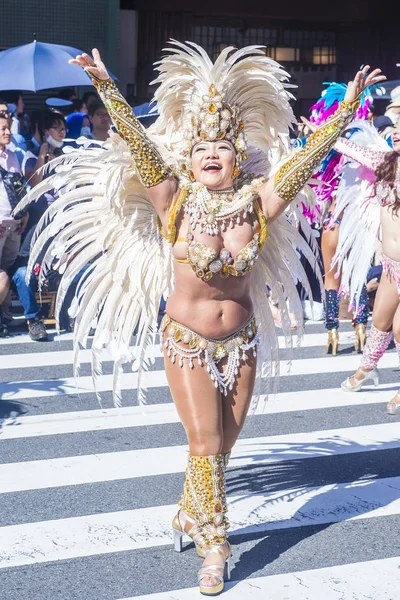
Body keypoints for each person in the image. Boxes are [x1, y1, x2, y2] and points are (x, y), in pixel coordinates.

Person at [15, 44, 383, 595]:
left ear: (237, 155)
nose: (211, 153)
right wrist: (106, 84)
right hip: (186, 339)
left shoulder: (259, 201)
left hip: (243, 339)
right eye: (202, 146)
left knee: (223, 444)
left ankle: (190, 511)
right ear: (189, 156)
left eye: (222, 146)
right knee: (207, 445)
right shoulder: (173, 200)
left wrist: (347, 109)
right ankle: (216, 544)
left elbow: (305, 159)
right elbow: (136, 141)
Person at [329, 120, 400, 416]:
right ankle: (366, 370)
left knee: (398, 327)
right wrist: (324, 131)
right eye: (397, 127)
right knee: (381, 322)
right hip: (391, 265)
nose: (396, 132)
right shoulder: (386, 162)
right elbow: (348, 148)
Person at [303, 83, 372, 354]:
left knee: (330, 278)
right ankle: (361, 328)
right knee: (358, 276)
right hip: (356, 223)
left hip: (331, 222)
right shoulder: (363, 152)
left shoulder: (325, 158)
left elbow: (319, 191)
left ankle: (332, 332)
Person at [0, 114, 29, 332]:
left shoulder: (12, 156)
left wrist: (24, 213)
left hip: (14, 222)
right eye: (2, 129)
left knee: (8, 269)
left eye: (8, 128)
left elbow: (19, 186)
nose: (8, 132)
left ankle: (5, 313)